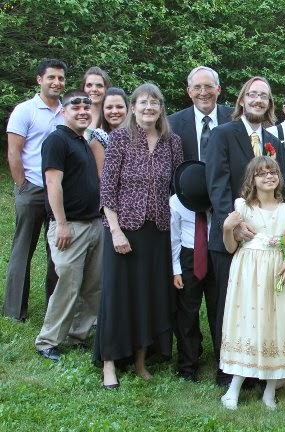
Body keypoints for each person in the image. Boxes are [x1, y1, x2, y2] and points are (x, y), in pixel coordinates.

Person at [95, 83, 184, 389]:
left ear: (161, 109)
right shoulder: (120, 139)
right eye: (143, 102)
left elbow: (177, 188)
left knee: (149, 296)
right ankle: (109, 363)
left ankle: (140, 360)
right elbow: (107, 188)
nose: (149, 108)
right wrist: (115, 231)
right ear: (133, 108)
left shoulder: (172, 142)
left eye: (154, 103)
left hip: (158, 232)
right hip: (124, 230)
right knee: (117, 295)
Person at [205, 76, 283, 386]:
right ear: (241, 100)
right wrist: (234, 224)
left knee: (259, 305)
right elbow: (217, 184)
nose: (257, 100)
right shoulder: (223, 134)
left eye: (263, 96)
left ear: (269, 103)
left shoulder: (273, 141)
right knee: (230, 304)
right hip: (232, 236)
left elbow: (276, 187)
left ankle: (257, 369)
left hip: (264, 241)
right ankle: (228, 370)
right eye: (252, 94)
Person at [219, 157, 285, 410]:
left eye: (273, 172)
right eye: (262, 173)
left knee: (276, 325)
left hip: (278, 270)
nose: (269, 176)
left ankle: (270, 390)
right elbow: (231, 247)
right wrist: (227, 228)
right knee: (249, 325)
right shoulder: (243, 207)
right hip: (249, 272)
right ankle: (233, 390)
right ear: (252, 179)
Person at [167, 66, 232, 381]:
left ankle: (226, 360)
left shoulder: (234, 118)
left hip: (224, 221)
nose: (203, 92)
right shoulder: (173, 123)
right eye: (197, 87)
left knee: (222, 301)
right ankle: (188, 362)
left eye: (209, 86)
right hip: (187, 216)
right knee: (187, 304)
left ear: (219, 89)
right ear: (188, 91)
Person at [34, 91, 102, 362]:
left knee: (92, 287)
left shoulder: (82, 141)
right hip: (70, 226)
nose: (83, 111)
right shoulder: (57, 140)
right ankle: (48, 341)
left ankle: (78, 335)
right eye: (76, 107)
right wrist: (60, 224)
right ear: (64, 111)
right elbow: (53, 183)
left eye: (87, 107)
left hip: (94, 223)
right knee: (68, 287)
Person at [4, 58, 66, 322]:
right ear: (39, 79)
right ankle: (14, 310)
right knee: (23, 249)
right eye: (51, 77)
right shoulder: (25, 110)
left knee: (57, 252)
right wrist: (22, 185)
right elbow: (13, 152)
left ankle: (54, 307)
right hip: (31, 189)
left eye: (61, 78)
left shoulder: (67, 111)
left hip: (59, 192)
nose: (56, 82)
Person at [89, 87, 128, 177]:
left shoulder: (138, 135)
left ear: (127, 109)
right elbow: (102, 177)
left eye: (119, 107)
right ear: (103, 110)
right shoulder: (99, 139)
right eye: (109, 107)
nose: (114, 111)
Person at [80, 66, 111, 138]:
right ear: (83, 88)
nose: (94, 89)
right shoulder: (75, 118)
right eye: (89, 85)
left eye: (99, 86)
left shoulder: (113, 118)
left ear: (106, 89)